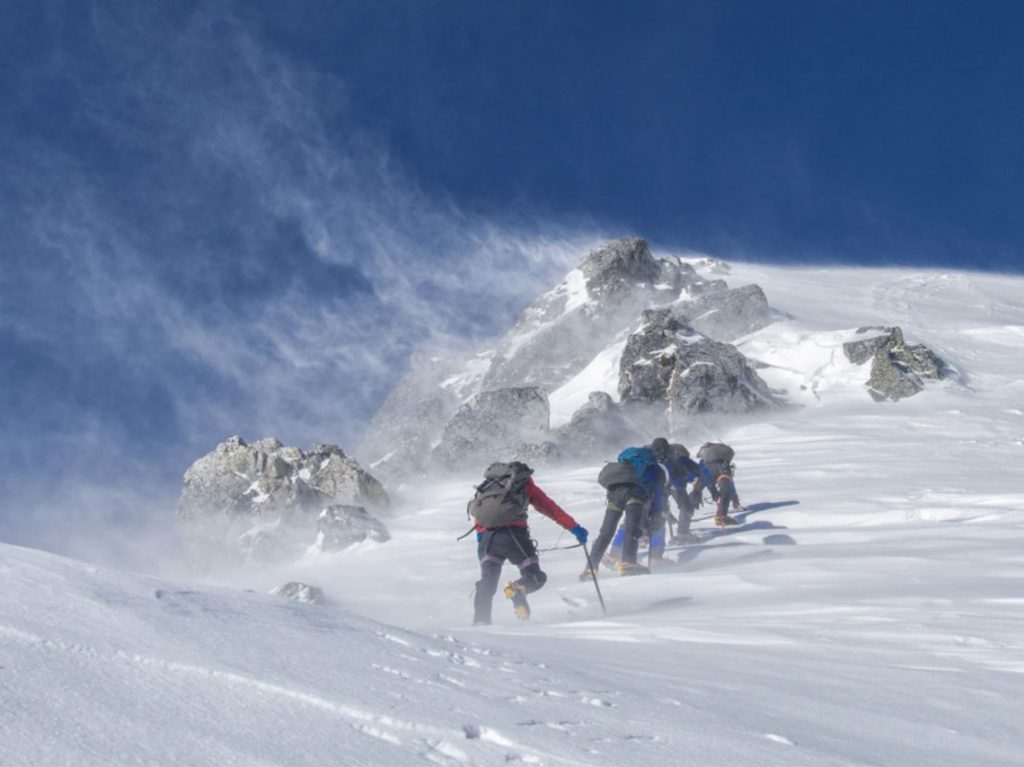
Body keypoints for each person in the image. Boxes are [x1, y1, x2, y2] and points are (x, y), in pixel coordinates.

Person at [468, 461, 587, 625]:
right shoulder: (524, 485)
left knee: (487, 584)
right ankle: (519, 588)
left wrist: (482, 545)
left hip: (487, 540)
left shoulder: (488, 487)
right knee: (535, 576)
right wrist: (575, 529)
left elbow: (480, 519)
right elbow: (551, 509)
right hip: (515, 537)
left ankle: (481, 623)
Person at [583, 442, 667, 578]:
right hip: (634, 494)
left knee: (606, 532)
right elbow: (658, 496)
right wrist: (657, 515)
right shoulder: (656, 469)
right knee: (632, 529)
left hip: (614, 493)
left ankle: (591, 567)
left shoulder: (628, 459)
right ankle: (629, 563)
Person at [691, 442, 744, 527]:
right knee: (726, 489)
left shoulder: (704, 457)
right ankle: (722, 515)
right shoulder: (723, 458)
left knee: (697, 489)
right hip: (722, 468)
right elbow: (730, 487)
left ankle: (687, 512)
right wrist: (735, 501)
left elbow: (702, 476)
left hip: (707, 468)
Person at [663, 442, 703, 544]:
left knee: (659, 508)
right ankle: (683, 533)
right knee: (687, 508)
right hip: (677, 486)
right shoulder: (681, 459)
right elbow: (695, 472)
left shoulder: (662, 459)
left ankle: (645, 535)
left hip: (661, 485)